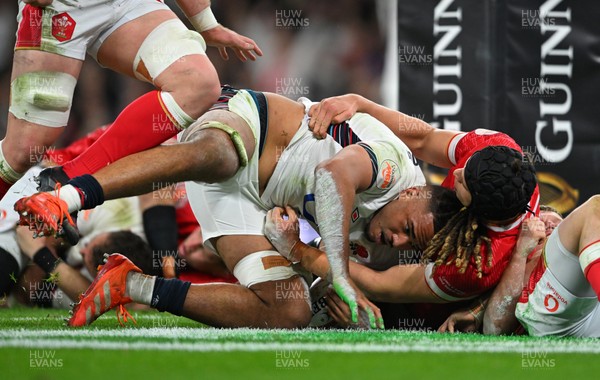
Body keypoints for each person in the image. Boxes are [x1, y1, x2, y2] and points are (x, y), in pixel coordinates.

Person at [15, 86, 461, 329]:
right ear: (409, 195)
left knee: (290, 313)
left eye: (408, 243)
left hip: (242, 202)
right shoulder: (396, 168)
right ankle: (67, 196)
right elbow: (332, 177)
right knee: (220, 155)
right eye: (406, 227)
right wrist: (339, 277)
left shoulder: (392, 246)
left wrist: (336, 300)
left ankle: (128, 285)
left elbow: (328, 277)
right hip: (255, 127)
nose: (396, 239)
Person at [0, 0, 261, 206]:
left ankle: (67, 180)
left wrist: (206, 23)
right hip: (60, 6)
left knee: (198, 83)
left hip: (131, 4)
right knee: (22, 152)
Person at [303, 94, 539, 313]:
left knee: (335, 310)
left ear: (477, 214)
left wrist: (298, 250)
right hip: (414, 228)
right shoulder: (496, 150)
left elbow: (380, 284)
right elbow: (423, 139)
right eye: (465, 168)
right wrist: (359, 103)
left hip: (417, 304)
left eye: (464, 185)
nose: (456, 174)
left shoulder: (478, 264)